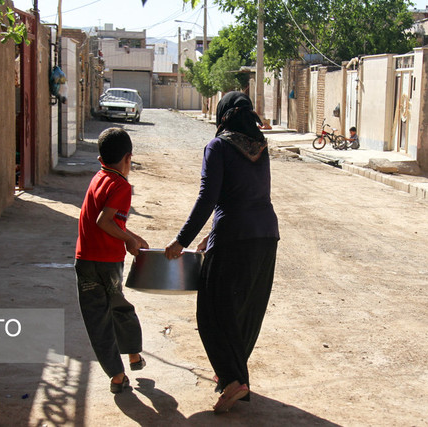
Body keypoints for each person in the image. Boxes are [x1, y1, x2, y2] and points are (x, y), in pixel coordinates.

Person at [165, 92, 280, 413]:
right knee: (244, 310)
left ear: (222, 115)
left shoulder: (217, 147)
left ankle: (233, 380)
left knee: (212, 310)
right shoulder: (260, 147)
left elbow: (208, 199)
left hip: (234, 237)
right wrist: (208, 235)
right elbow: (245, 195)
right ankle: (233, 375)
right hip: (266, 237)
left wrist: (182, 241)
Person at [75, 127, 149, 394]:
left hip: (85, 261)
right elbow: (104, 221)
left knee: (97, 319)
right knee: (118, 307)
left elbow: (109, 221)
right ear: (128, 159)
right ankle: (132, 355)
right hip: (108, 263)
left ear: (100, 159)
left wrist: (132, 235)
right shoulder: (121, 186)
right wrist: (128, 241)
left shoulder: (99, 177)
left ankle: (117, 375)